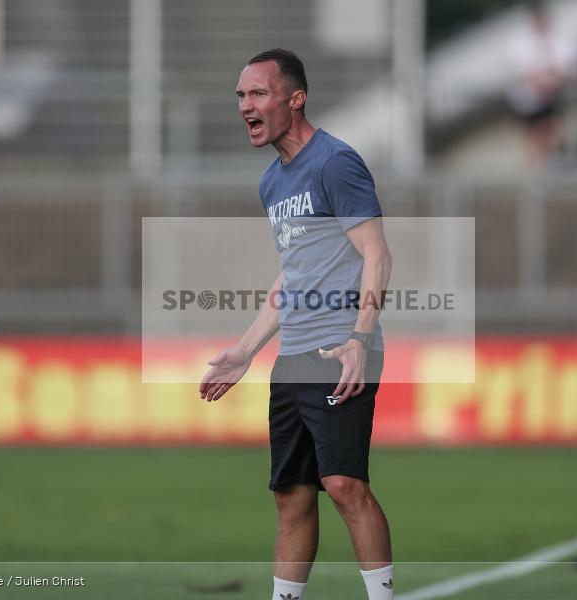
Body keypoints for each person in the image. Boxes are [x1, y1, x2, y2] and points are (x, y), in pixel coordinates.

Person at [199, 48, 395, 600]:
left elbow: (378, 256)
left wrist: (360, 338)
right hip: (294, 357)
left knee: (343, 484)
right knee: (291, 494)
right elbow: (291, 279)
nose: (246, 106)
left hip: (341, 350)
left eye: (258, 93)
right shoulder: (272, 183)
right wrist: (245, 350)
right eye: (240, 96)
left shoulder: (335, 162)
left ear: (295, 98)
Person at [506, 0, 577, 163]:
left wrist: (551, 79)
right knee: (537, 135)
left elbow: (570, 68)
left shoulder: (560, 40)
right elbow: (520, 71)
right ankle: (539, 171)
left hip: (554, 95)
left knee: (554, 131)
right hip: (529, 99)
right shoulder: (521, 42)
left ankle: (551, 167)